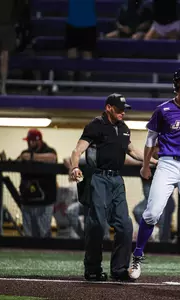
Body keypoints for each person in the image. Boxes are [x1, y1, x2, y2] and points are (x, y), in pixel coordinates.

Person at [129, 66, 180, 285]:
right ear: (177, 85)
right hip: (166, 163)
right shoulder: (163, 109)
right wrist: (146, 166)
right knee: (152, 213)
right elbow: (150, 140)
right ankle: (137, 255)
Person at [69, 93, 154, 282]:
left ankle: (119, 269)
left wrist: (153, 161)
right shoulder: (95, 125)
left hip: (116, 180)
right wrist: (74, 167)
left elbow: (132, 151)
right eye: (119, 109)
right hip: (98, 178)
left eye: (125, 109)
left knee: (125, 225)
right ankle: (92, 268)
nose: (123, 112)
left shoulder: (124, 128)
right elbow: (77, 151)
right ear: (109, 108)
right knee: (97, 225)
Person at [17, 129, 58, 238]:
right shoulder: (25, 152)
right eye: (28, 141)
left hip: (45, 201)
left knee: (44, 234)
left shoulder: (49, 150)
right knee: (29, 234)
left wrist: (32, 157)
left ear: (38, 141)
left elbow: (52, 158)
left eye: (32, 141)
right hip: (28, 200)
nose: (29, 143)